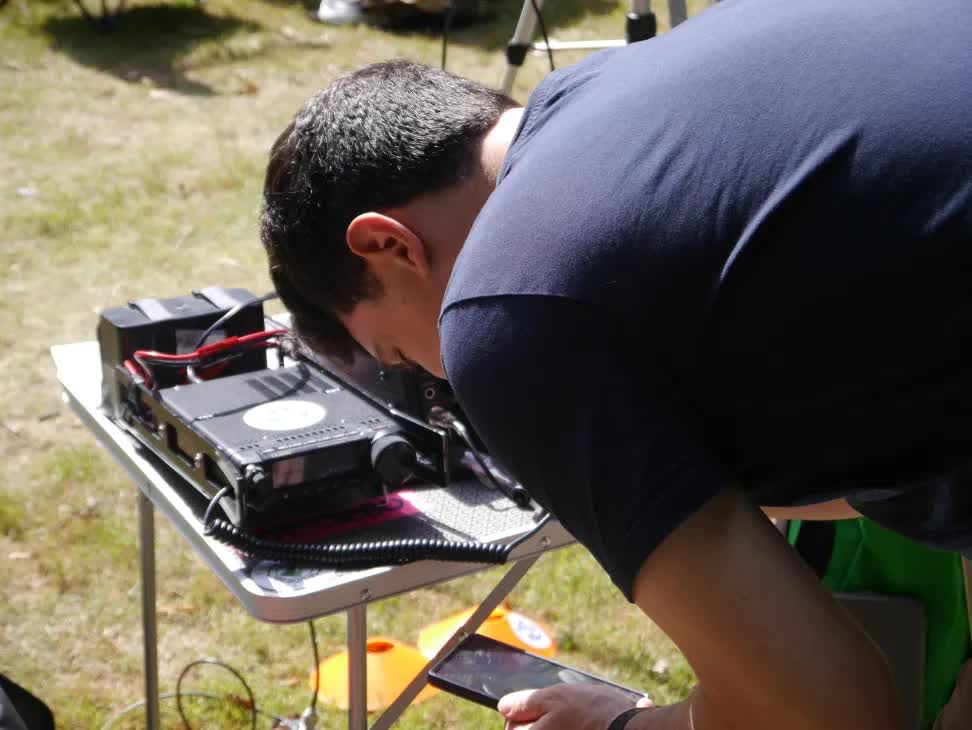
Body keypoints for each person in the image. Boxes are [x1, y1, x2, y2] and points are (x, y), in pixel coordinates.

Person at [259, 0, 972, 727]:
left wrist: (625, 724)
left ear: (387, 245)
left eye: (404, 356)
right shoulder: (614, 93)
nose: (436, 381)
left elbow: (826, 709)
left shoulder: (502, 308)